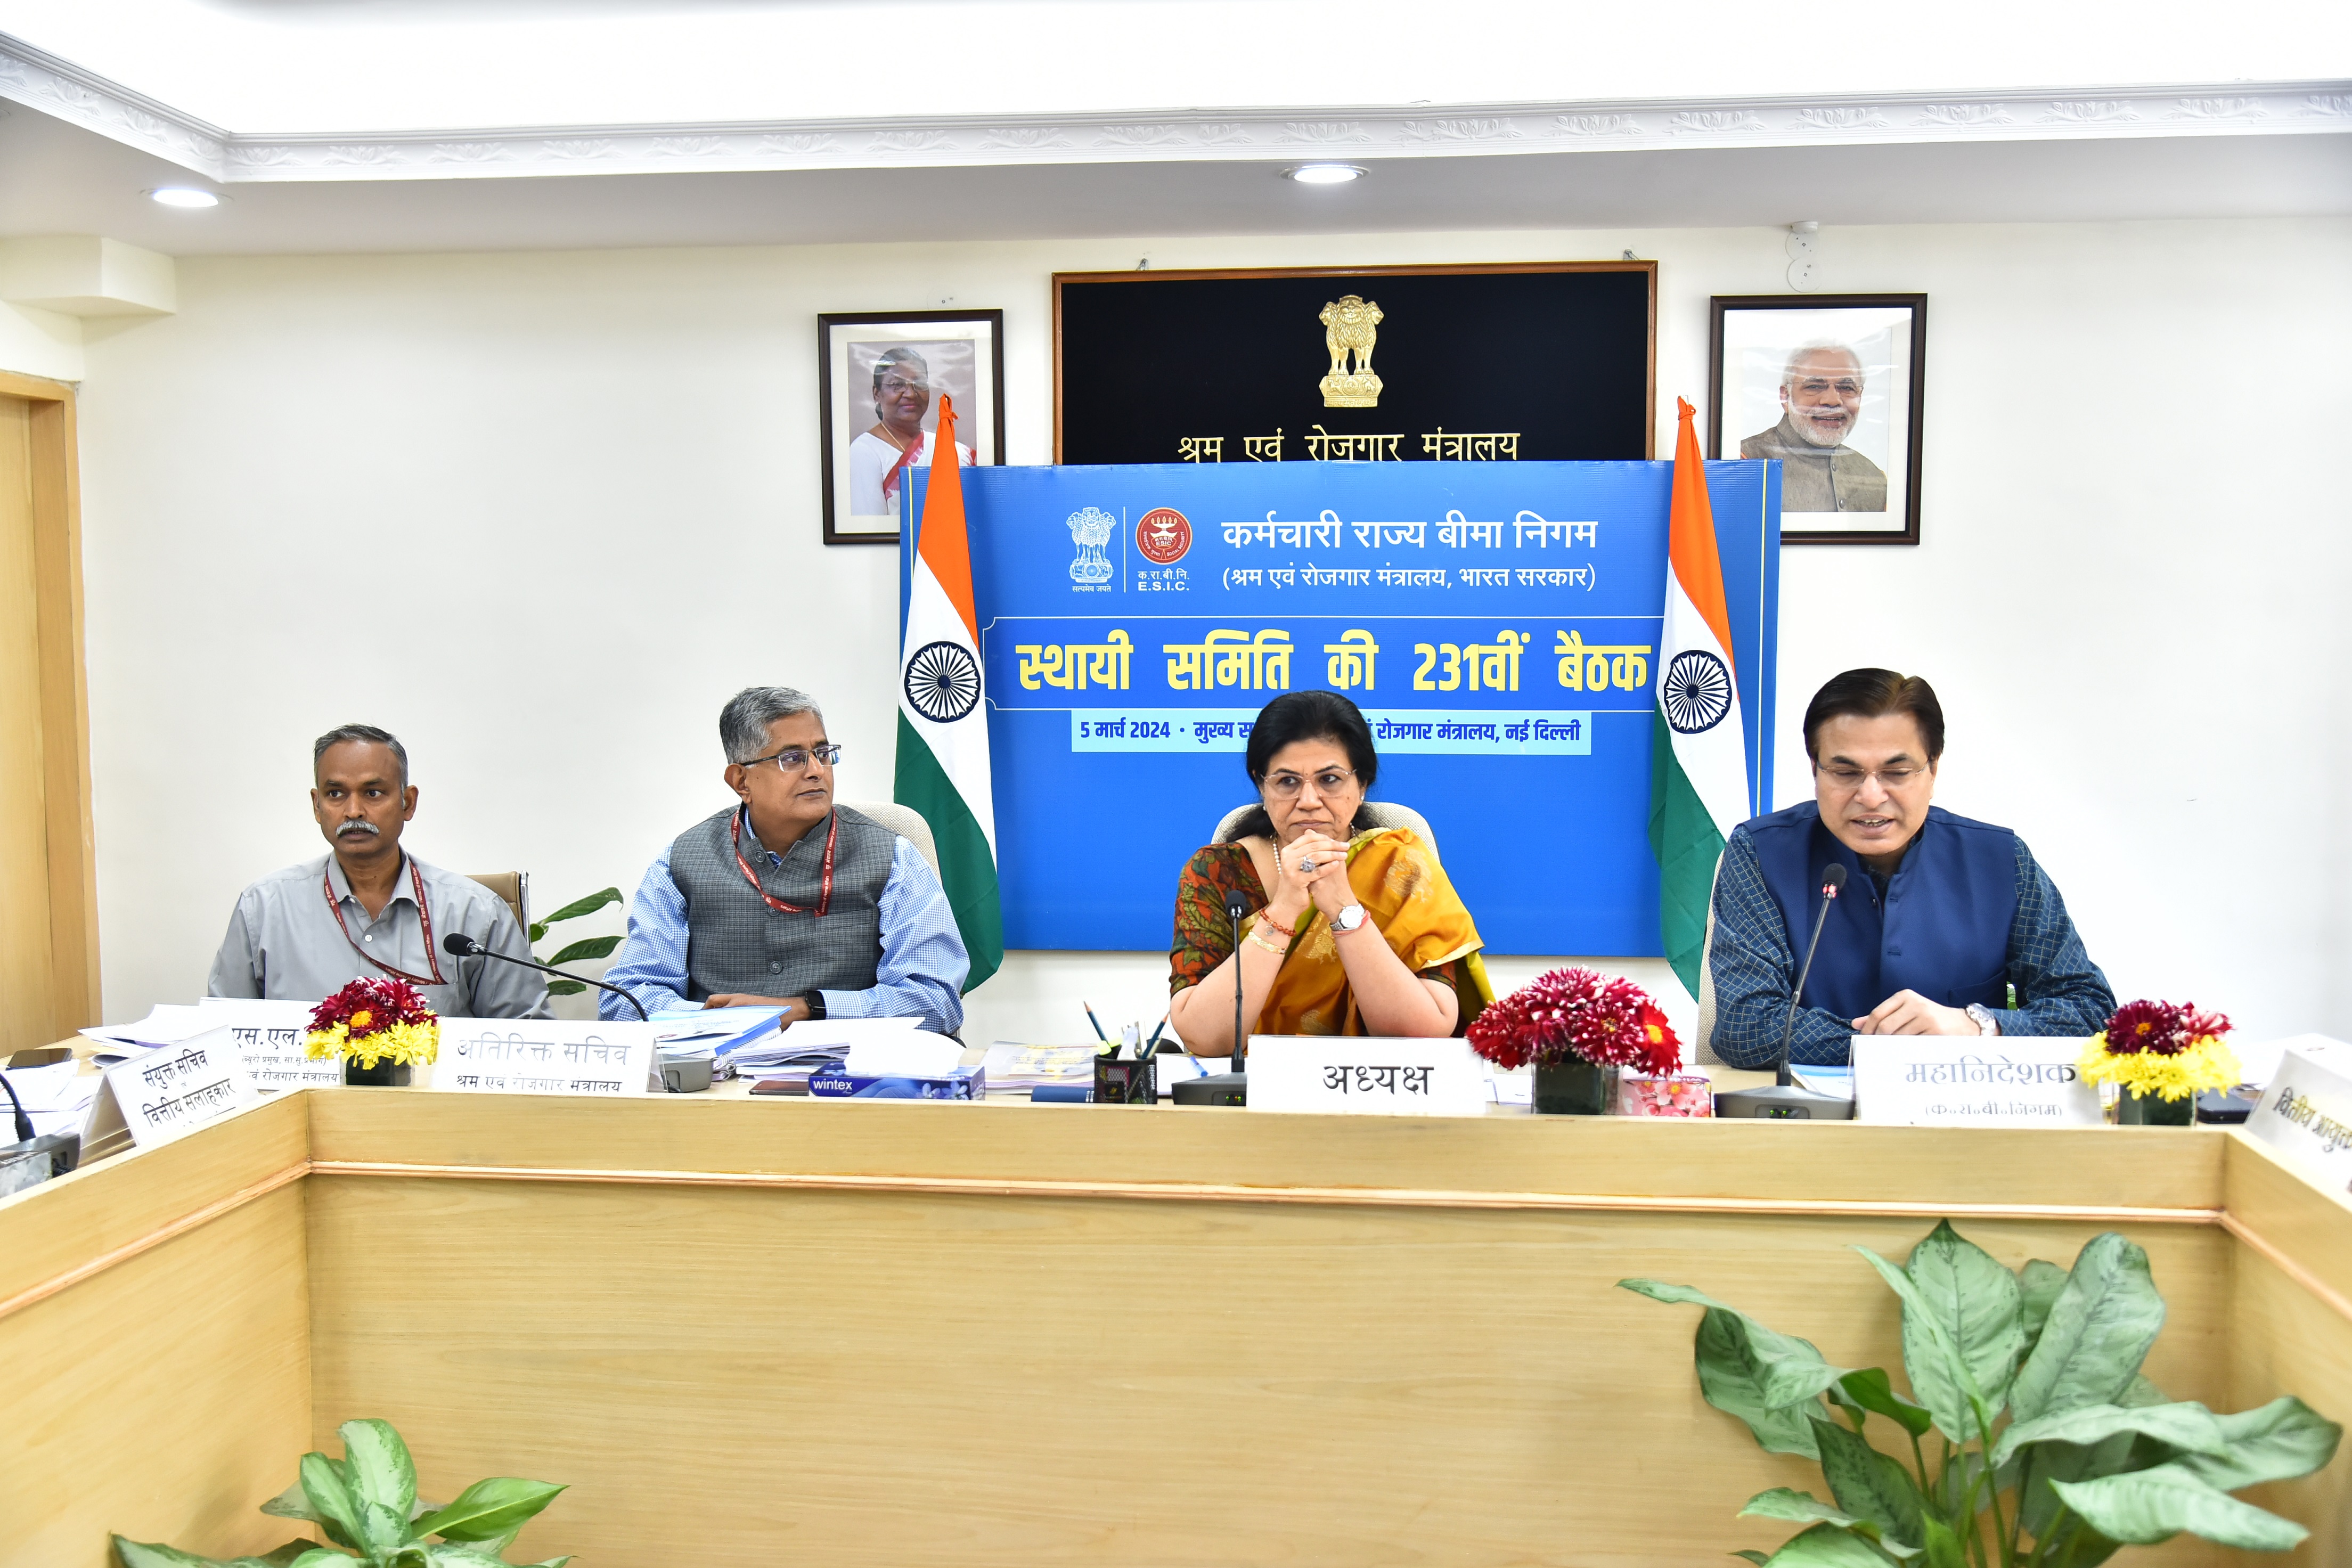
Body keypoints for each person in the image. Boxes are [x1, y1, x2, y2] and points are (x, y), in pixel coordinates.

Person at [1706, 669, 2113, 1068]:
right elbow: (1746, 1027)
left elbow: (2090, 1011)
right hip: (1805, 1109)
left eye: (1897, 773)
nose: (1870, 796)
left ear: (1933, 769)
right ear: (1815, 768)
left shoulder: (2002, 860)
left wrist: (1975, 1026)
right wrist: (1910, 1045)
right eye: (1846, 773)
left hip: (1963, 1106)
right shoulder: (1760, 853)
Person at [600, 685, 968, 1032]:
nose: (817, 770)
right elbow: (626, 1000)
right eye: (792, 758)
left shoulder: (893, 857)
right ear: (741, 782)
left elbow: (936, 1001)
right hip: (722, 1066)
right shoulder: (682, 861)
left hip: (851, 1065)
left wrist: (808, 1009)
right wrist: (720, 1021)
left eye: (823, 753)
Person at [1165, 690, 1492, 1051]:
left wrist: (1344, 909)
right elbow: (1206, 1038)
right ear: (1262, 785)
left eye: (1330, 779)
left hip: (1375, 1080)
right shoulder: (1218, 873)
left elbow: (1425, 1032)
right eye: (1287, 781)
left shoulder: (1401, 867)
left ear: (1362, 784)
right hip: (1253, 1081)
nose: (1309, 801)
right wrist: (1283, 911)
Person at [209, 724, 548, 1017]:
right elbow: (219, 1033)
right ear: (317, 805)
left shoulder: (475, 913)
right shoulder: (263, 908)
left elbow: (528, 1038)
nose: (353, 811)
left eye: (373, 793)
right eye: (335, 794)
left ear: (407, 803)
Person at [1740, 342, 1889, 513]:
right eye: (1814, 386)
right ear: (1785, 397)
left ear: (1860, 397)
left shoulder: (1874, 478)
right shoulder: (1744, 463)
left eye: (1846, 388)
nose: (1832, 401)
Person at [846, 346, 974, 519]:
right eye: (897, 385)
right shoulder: (864, 451)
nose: (911, 394)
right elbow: (871, 527)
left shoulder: (952, 450)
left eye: (919, 384)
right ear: (877, 394)